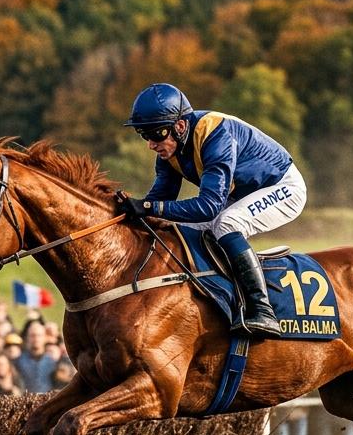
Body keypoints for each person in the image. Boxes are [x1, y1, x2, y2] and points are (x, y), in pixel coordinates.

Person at [119, 83, 305, 336]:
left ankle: (263, 310)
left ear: (180, 126)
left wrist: (149, 207)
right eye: (144, 135)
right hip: (240, 194)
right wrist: (130, 211)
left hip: (283, 186)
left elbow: (209, 206)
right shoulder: (170, 148)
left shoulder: (215, 134)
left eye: (156, 133)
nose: (151, 144)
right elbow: (159, 203)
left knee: (226, 224)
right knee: (178, 230)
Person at [15, 322, 59, 394]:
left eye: (39, 335)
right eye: (32, 335)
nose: (36, 339)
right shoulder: (18, 362)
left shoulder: (53, 362)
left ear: (45, 338)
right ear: (27, 338)